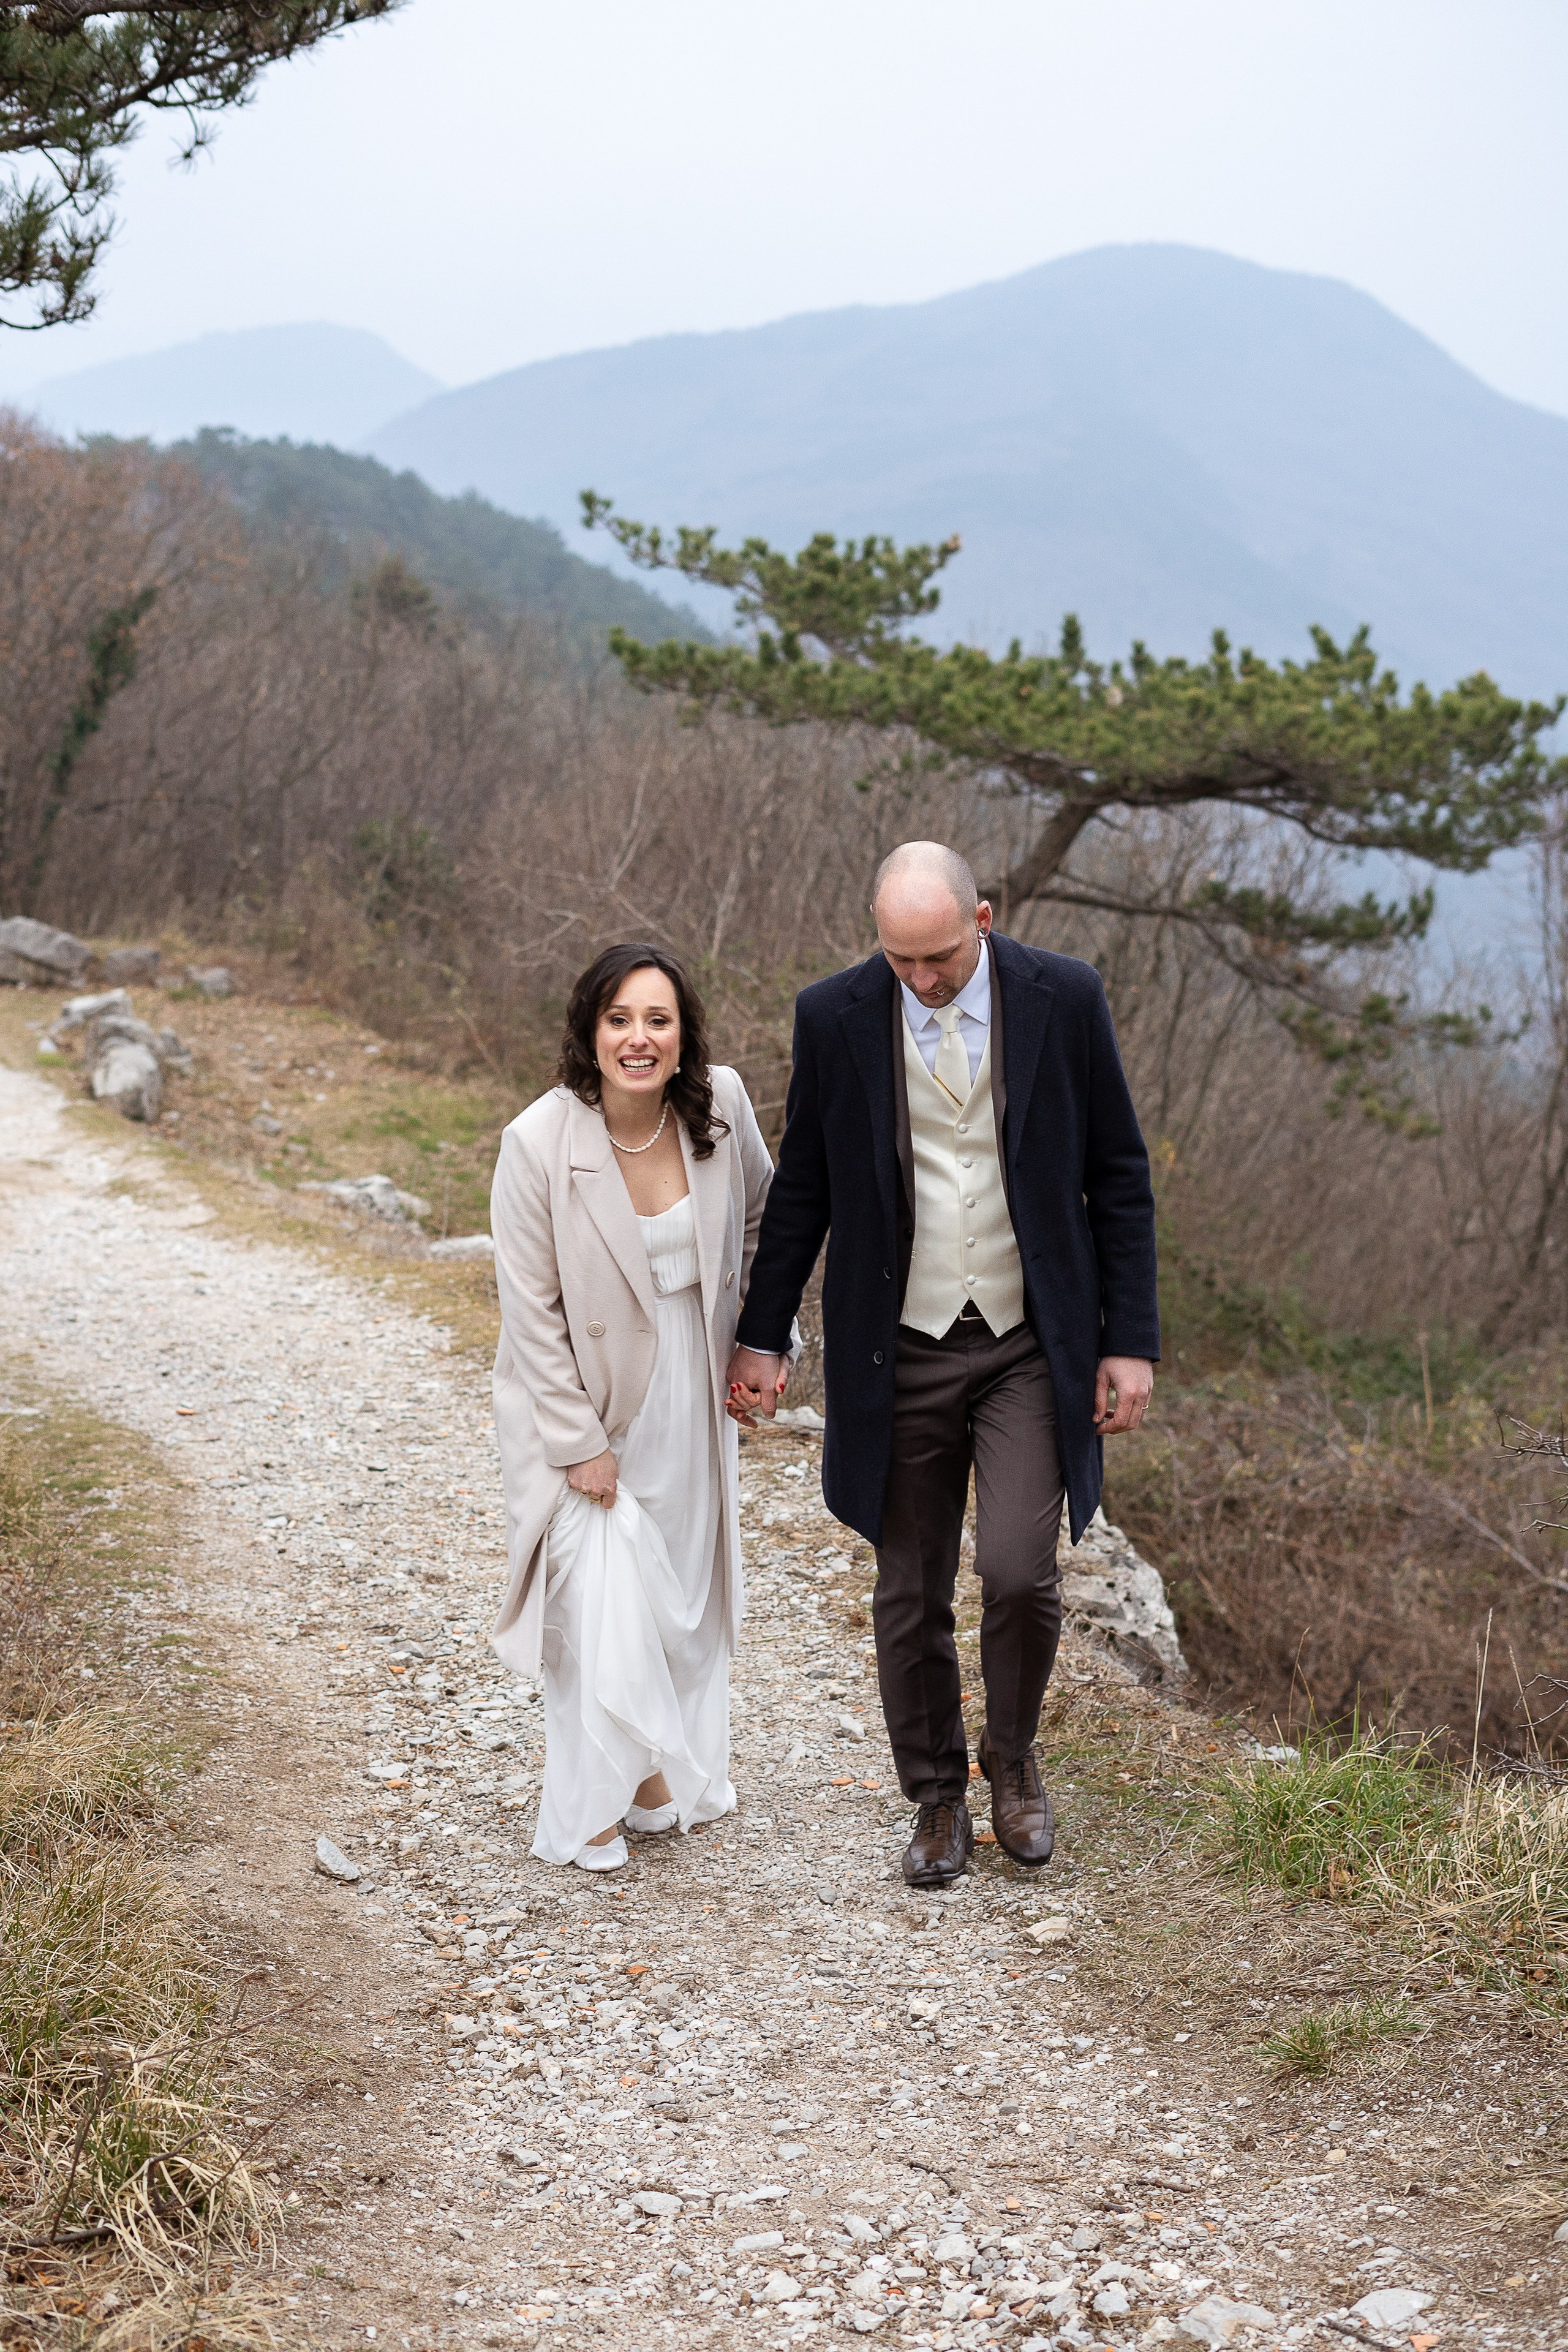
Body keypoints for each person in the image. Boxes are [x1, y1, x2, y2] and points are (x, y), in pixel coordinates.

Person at [727, 842, 1159, 1888]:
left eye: (940, 958)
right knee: (909, 1588)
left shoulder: (1065, 997)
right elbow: (806, 1191)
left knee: (1018, 1567)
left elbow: (1119, 1174)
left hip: (1025, 1340)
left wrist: (1130, 1340)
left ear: (986, 918)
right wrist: (762, 1331)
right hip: (900, 1342)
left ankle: (1012, 1762)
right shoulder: (833, 1015)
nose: (921, 980)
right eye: (900, 959)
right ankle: (936, 1797)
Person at [489, 943, 786, 1871]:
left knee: (676, 1605)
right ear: (589, 1029)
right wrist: (577, 1442)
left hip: (693, 1399)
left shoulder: (722, 1108)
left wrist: (766, 1344)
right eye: (620, 1019)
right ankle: (588, 1810)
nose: (639, 1038)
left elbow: (762, 1225)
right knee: (598, 1602)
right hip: (587, 1407)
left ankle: (654, 1775)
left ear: (685, 1033)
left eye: (659, 1020)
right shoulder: (537, 1142)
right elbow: (530, 1312)